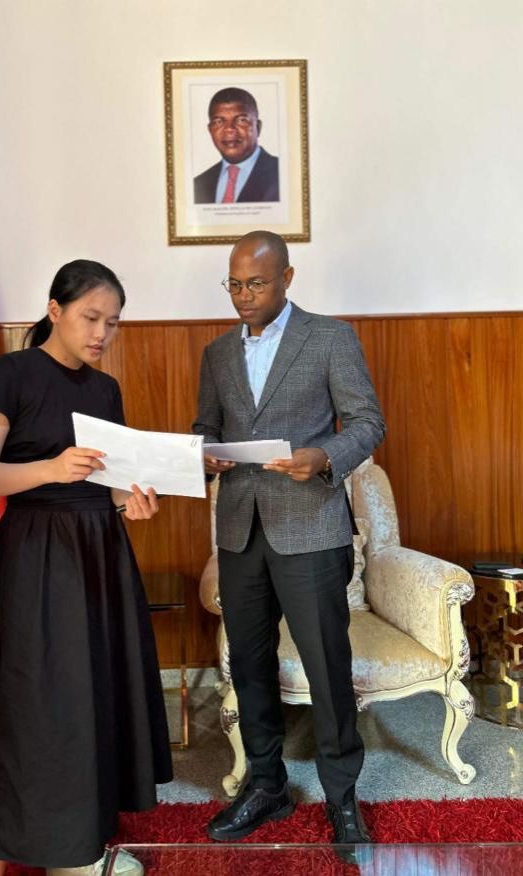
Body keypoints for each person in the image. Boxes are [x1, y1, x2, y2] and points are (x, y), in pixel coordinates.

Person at [0, 260, 172, 876]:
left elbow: (108, 483)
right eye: (91, 317)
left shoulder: (105, 390)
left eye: (113, 322)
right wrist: (51, 468)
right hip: (36, 556)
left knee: (93, 696)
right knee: (34, 705)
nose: (102, 333)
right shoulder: (12, 372)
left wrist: (132, 502)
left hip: (101, 551)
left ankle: (75, 848)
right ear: (55, 310)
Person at [193, 231, 385, 847]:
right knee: (249, 665)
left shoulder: (329, 338)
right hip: (239, 531)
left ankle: (342, 796)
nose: (243, 295)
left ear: (287, 278)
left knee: (328, 666)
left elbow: (367, 423)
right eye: (234, 284)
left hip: (311, 525)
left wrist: (322, 457)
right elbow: (205, 427)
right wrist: (205, 455)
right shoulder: (217, 354)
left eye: (255, 283)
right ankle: (266, 787)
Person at [193, 87, 279, 204]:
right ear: (210, 130)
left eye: (241, 120)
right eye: (219, 122)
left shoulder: (284, 174)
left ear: (258, 127)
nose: (229, 129)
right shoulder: (198, 185)